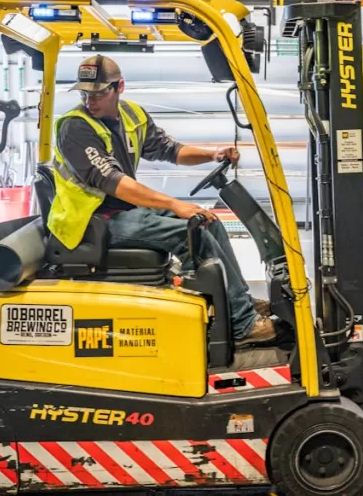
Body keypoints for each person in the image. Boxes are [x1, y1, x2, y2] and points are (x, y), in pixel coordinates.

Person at [47, 54, 275, 347]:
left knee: (209, 222)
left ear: (120, 88)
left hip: (122, 211)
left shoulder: (131, 116)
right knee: (192, 234)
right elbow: (113, 182)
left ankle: (238, 302)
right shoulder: (75, 128)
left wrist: (211, 154)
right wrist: (173, 204)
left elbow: (170, 150)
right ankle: (242, 324)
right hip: (92, 222)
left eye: (99, 93)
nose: (90, 100)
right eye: (85, 93)